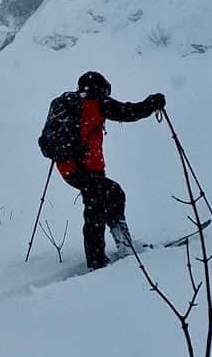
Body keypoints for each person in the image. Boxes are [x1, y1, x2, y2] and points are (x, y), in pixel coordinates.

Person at [52, 71, 165, 270]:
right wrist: (152, 103)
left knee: (106, 197)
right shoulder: (98, 103)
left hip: (69, 168)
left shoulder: (68, 105)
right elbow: (128, 112)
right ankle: (103, 258)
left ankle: (110, 250)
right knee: (101, 204)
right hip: (87, 168)